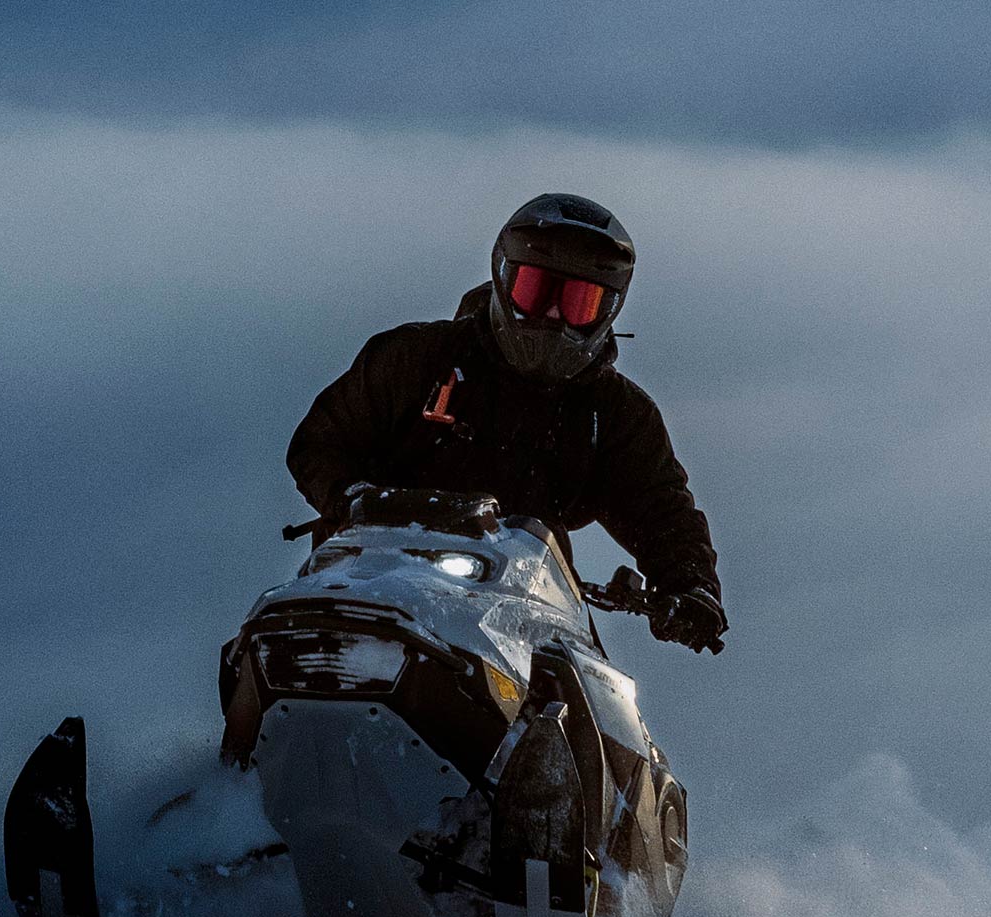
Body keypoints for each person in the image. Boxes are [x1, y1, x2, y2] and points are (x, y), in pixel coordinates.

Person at [284, 194, 727, 653]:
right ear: (501, 278)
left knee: (602, 702)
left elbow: (661, 508)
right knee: (275, 641)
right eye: (536, 292)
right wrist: (351, 498)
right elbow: (323, 441)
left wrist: (691, 587)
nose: (553, 318)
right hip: (374, 575)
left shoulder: (614, 414)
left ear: (608, 311)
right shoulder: (415, 359)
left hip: (525, 602)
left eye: (578, 303)